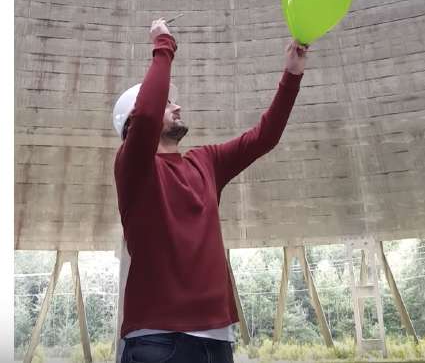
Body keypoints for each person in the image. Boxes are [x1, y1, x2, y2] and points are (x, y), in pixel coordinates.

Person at [112, 18, 308, 363]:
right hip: (158, 340)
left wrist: (292, 75)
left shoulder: (205, 162)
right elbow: (146, 115)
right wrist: (163, 45)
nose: (177, 107)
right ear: (137, 118)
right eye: (168, 104)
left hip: (217, 341)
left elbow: (264, 137)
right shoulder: (133, 169)